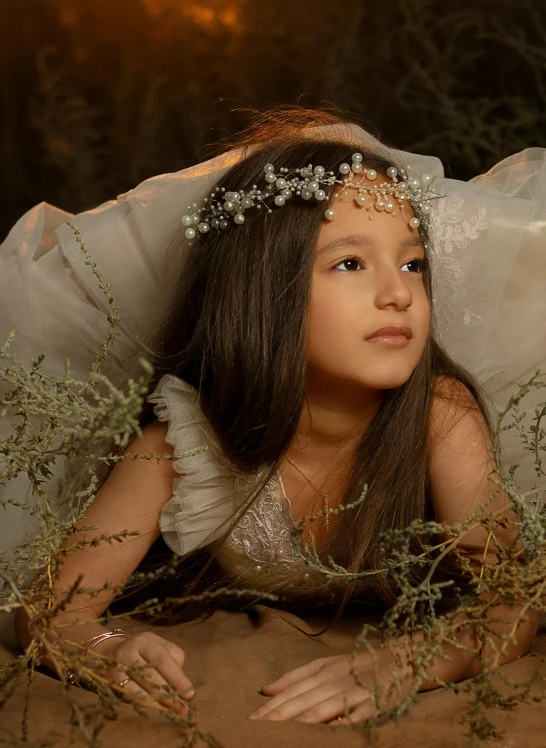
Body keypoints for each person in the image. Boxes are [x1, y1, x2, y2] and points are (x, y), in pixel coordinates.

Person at [3, 107, 543, 725]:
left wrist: (416, 659)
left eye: (413, 263)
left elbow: (511, 603)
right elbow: (50, 610)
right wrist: (106, 647)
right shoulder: (185, 440)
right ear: (264, 289)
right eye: (350, 263)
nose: (398, 292)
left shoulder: (439, 415)